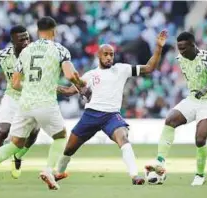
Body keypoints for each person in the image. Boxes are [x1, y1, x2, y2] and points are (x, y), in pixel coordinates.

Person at [55, 30, 167, 186]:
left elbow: (149, 68)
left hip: (111, 116)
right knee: (69, 149)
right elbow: (68, 91)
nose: (109, 57)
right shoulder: (90, 75)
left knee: (124, 138)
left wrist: (158, 47)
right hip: (91, 115)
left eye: (111, 54)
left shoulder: (121, 69)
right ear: (98, 56)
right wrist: (52, 85)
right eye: (106, 54)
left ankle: (135, 176)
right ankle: (58, 173)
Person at [0, 16, 85, 190]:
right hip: (45, 102)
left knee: (15, 143)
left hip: (25, 103)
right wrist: (82, 86)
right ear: (55, 31)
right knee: (60, 137)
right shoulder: (60, 49)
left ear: (36, 32)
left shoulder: (27, 51)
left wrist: (31, 86)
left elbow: (14, 83)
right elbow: (70, 75)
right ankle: (48, 170)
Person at [145, 31, 207, 186]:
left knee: (200, 139)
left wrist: (204, 90)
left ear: (193, 45)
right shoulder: (180, 58)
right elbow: (153, 66)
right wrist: (159, 48)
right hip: (192, 99)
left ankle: (199, 175)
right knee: (170, 119)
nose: (181, 52)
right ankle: (160, 162)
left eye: (183, 48)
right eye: (178, 48)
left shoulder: (205, 57)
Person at [0, 25, 40, 179]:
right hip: (12, 97)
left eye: (27, 38)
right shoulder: (2, 56)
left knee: (34, 133)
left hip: (31, 98)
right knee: (2, 132)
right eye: (22, 39)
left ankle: (18, 157)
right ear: (13, 41)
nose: (26, 42)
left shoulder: (36, 55)